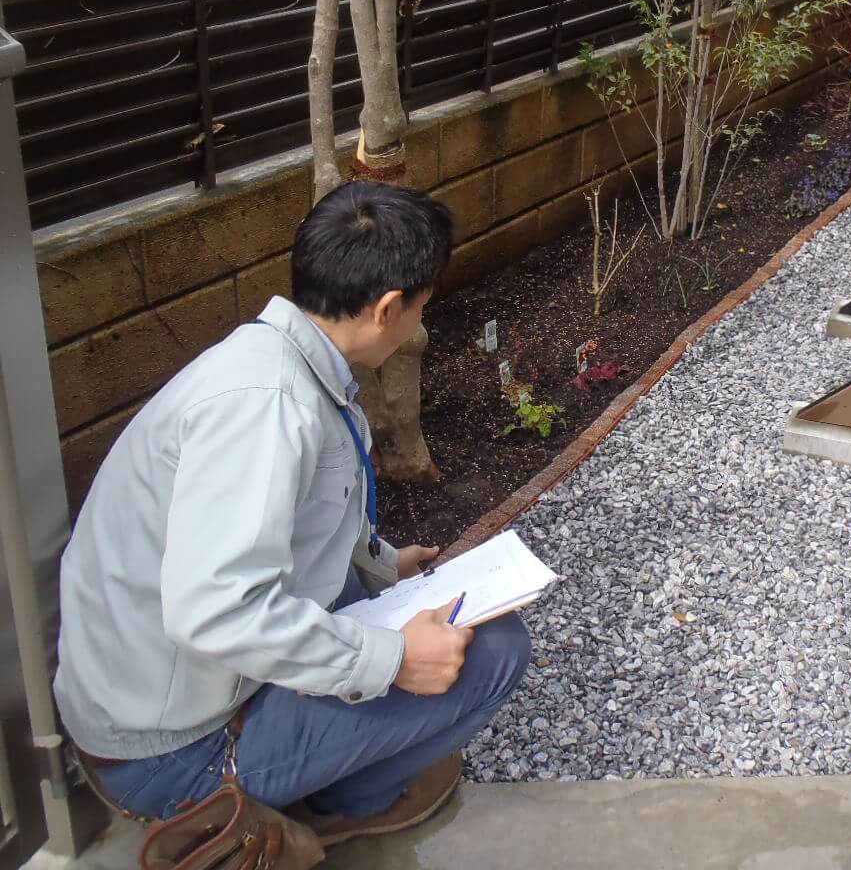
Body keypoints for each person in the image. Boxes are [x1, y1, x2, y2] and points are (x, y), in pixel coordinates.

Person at [55, 181, 532, 842]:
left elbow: (297, 522)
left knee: (435, 619)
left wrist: (385, 567)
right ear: (389, 307)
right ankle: (350, 800)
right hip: (173, 753)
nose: (418, 324)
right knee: (496, 650)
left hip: (159, 698)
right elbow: (216, 610)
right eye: (420, 307)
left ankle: (328, 762)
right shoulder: (266, 407)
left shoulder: (275, 363)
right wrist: (394, 661)